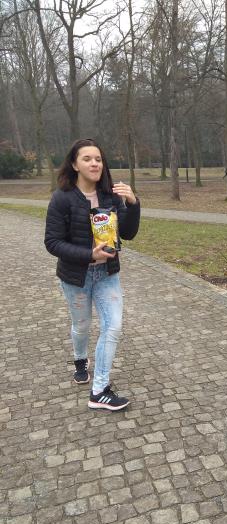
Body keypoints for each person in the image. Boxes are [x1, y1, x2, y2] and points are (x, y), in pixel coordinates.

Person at [45, 139, 140, 411]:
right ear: (75, 165)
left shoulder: (110, 195)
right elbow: (52, 242)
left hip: (107, 274)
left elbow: (128, 234)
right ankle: (79, 358)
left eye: (98, 159)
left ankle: (99, 390)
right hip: (76, 277)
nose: (95, 163)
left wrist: (133, 203)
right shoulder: (62, 198)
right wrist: (90, 254)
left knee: (113, 326)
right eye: (87, 159)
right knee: (82, 326)